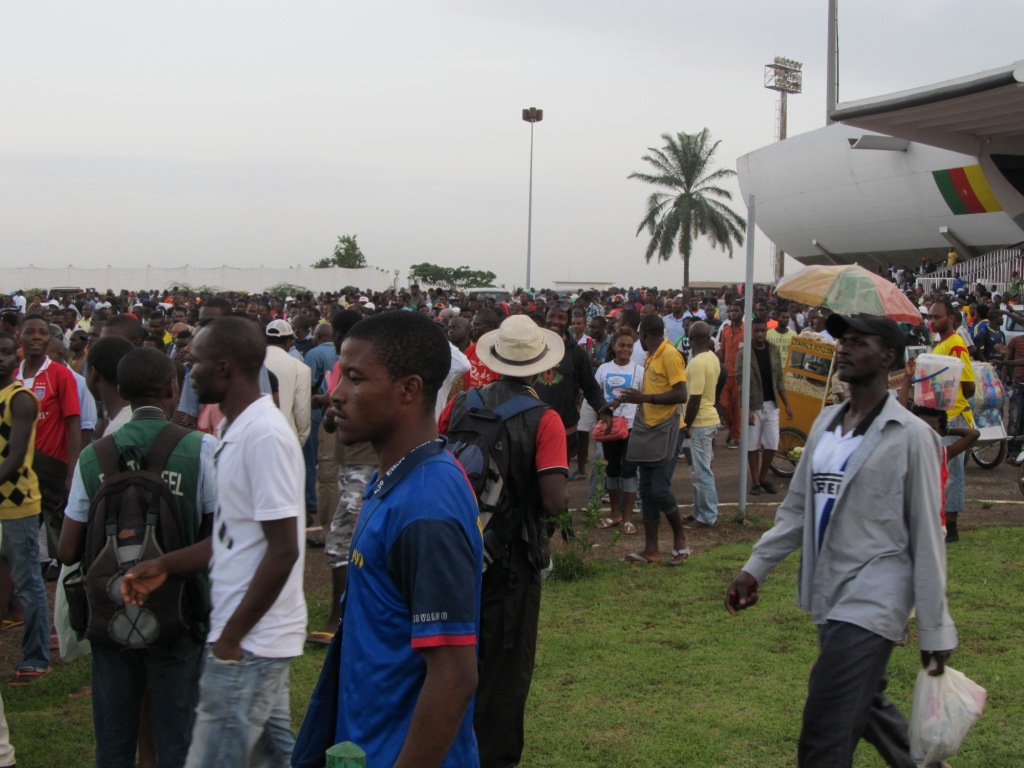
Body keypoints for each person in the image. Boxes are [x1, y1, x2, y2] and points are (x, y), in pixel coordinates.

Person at [725, 313, 956, 768]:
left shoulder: (912, 437)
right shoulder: (828, 424)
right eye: (843, 340)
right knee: (863, 704)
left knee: (825, 730)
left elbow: (928, 537)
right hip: (829, 593)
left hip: (876, 599)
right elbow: (797, 510)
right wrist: (755, 568)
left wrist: (934, 628)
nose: (845, 348)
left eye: (858, 341)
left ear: (887, 356)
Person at [122, 317, 307, 768]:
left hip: (250, 644)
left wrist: (231, 638)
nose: (188, 373)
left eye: (195, 363)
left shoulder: (264, 435)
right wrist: (165, 564)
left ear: (224, 367)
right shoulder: (233, 429)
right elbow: (234, 535)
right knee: (273, 759)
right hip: (248, 638)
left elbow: (284, 549)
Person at [329, 311, 482, 767]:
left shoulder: (426, 506)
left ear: (409, 389)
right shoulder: (397, 477)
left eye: (355, 378)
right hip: (366, 742)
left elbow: (454, 676)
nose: (336, 393)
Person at [59, 348, 217, 768]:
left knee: (113, 743)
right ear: (172, 388)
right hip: (179, 612)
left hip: (110, 612)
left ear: (121, 392)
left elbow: (67, 550)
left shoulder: (94, 455)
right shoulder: (202, 449)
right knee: (177, 740)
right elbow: (223, 538)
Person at [439, 314, 567, 768]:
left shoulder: (460, 403)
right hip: (512, 558)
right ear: (540, 365)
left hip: (458, 549)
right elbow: (553, 501)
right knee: (506, 668)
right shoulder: (545, 419)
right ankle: (494, 757)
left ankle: (449, 749)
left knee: (452, 658)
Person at [615, 314, 690, 565]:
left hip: (669, 429)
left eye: (639, 336)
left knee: (659, 489)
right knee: (646, 490)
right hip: (650, 430)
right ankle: (651, 549)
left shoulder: (670, 355)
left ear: (645, 334)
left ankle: (681, 539)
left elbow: (681, 394)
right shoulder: (651, 356)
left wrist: (645, 399)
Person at [0, 333, 50, 685]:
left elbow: (16, 456)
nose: (0, 358)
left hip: (17, 504)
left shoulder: (19, 399)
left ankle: (36, 657)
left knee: (28, 582)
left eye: (5, 352)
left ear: (15, 358)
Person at [16, 315, 81, 572]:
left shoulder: (60, 374)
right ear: (20, 336)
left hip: (51, 469)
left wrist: (72, 471)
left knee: (54, 534)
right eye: (30, 332)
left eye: (42, 333)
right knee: (20, 538)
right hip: (17, 468)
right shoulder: (13, 374)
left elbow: (73, 423)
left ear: (49, 338)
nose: (36, 337)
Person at [928, 297, 975, 543]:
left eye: (937, 317)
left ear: (951, 318)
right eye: (930, 317)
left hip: (954, 416)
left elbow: (969, 387)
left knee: (952, 472)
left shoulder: (956, 344)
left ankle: (952, 528)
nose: (932, 321)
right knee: (942, 470)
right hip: (942, 415)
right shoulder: (941, 343)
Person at [594, 327, 642, 535]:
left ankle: (628, 518)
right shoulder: (603, 369)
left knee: (629, 471)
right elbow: (595, 395)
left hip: (631, 428)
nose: (626, 350)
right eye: (622, 345)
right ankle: (615, 514)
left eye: (630, 346)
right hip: (610, 429)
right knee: (611, 470)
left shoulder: (639, 370)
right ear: (613, 346)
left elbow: (643, 398)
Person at [739, 317, 793, 496]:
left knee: (772, 443)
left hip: (772, 404)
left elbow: (779, 380)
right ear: (751, 332)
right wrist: (746, 408)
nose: (760, 334)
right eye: (756, 331)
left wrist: (787, 404)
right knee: (752, 445)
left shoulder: (773, 350)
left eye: (762, 331)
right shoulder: (744, 354)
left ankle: (763, 478)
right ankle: (755, 482)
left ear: (766, 331)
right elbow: (741, 382)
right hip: (754, 404)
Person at [680, 322, 721, 527]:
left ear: (690, 339)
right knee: (698, 471)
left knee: (701, 471)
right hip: (707, 418)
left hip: (700, 421)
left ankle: (707, 515)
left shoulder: (697, 363)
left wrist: (687, 425)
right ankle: (699, 511)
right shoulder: (712, 357)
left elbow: (694, 398)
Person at [263, 319, 312, 446]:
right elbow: (302, 411)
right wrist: (300, 440)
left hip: (254, 438)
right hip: (286, 438)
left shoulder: (250, 363)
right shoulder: (300, 368)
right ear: (288, 342)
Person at [717, 302, 744, 448]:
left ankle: (735, 436)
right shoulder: (725, 330)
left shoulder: (747, 331)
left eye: (736, 310)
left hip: (740, 375)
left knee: (736, 408)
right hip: (726, 374)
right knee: (723, 405)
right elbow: (722, 351)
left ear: (742, 312)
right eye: (731, 311)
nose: (733, 313)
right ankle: (732, 429)